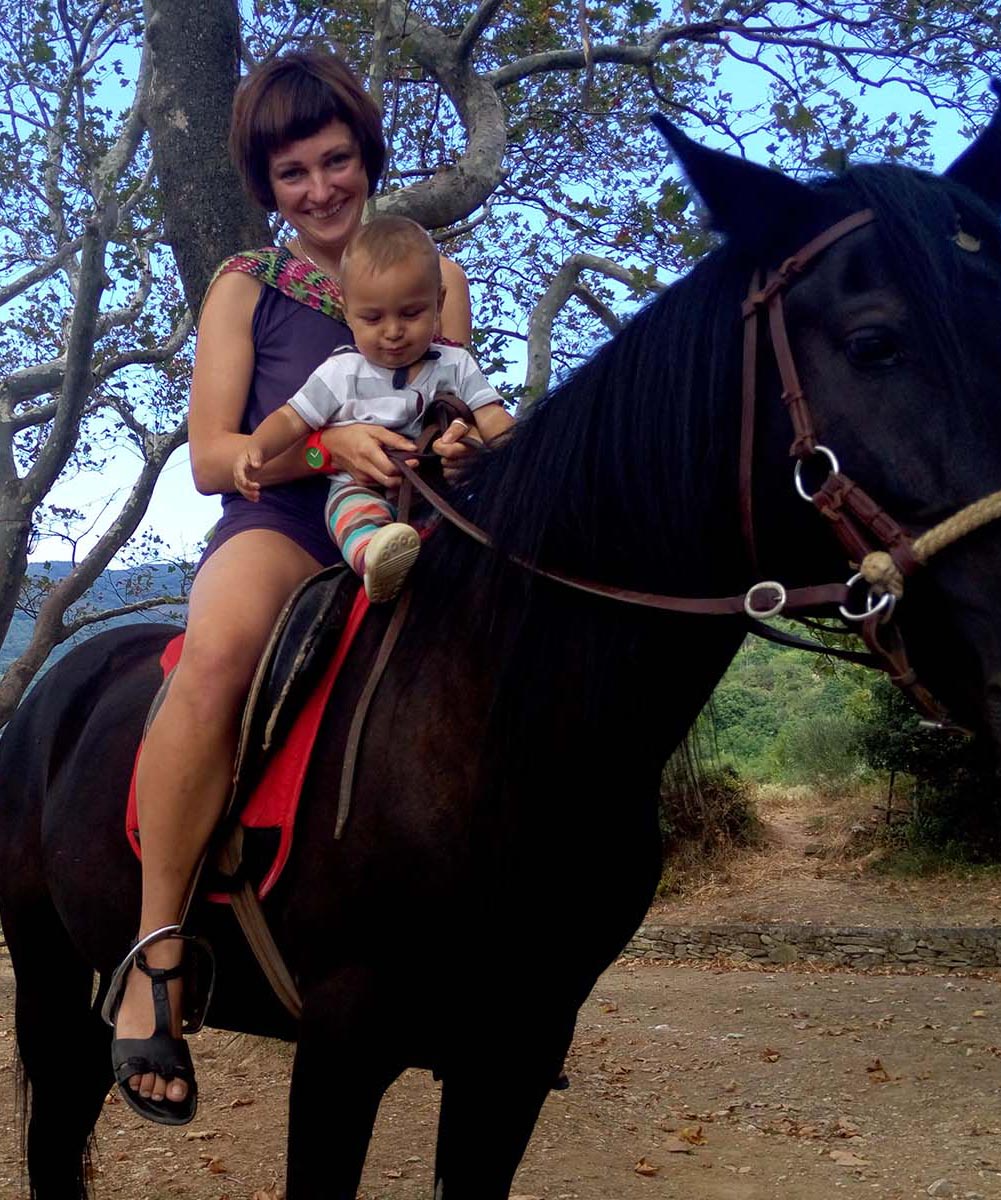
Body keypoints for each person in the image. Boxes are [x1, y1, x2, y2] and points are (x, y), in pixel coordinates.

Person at [105, 50, 512, 1126]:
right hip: (281, 526)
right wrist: (330, 446)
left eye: (336, 160)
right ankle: (157, 957)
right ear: (267, 186)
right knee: (218, 661)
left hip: (419, 526)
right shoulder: (245, 285)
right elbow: (210, 454)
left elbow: (458, 403)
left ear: (366, 159)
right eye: (295, 173)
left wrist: (464, 448)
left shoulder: (435, 271)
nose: (322, 187)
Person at [232, 215, 509, 602]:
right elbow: (292, 417)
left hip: (435, 493)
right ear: (348, 313)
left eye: (411, 314)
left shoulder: (455, 363)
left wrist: (512, 451)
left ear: (439, 303)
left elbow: (491, 415)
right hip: (361, 486)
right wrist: (257, 448)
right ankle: (376, 559)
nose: (393, 331)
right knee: (352, 514)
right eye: (373, 318)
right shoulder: (342, 371)